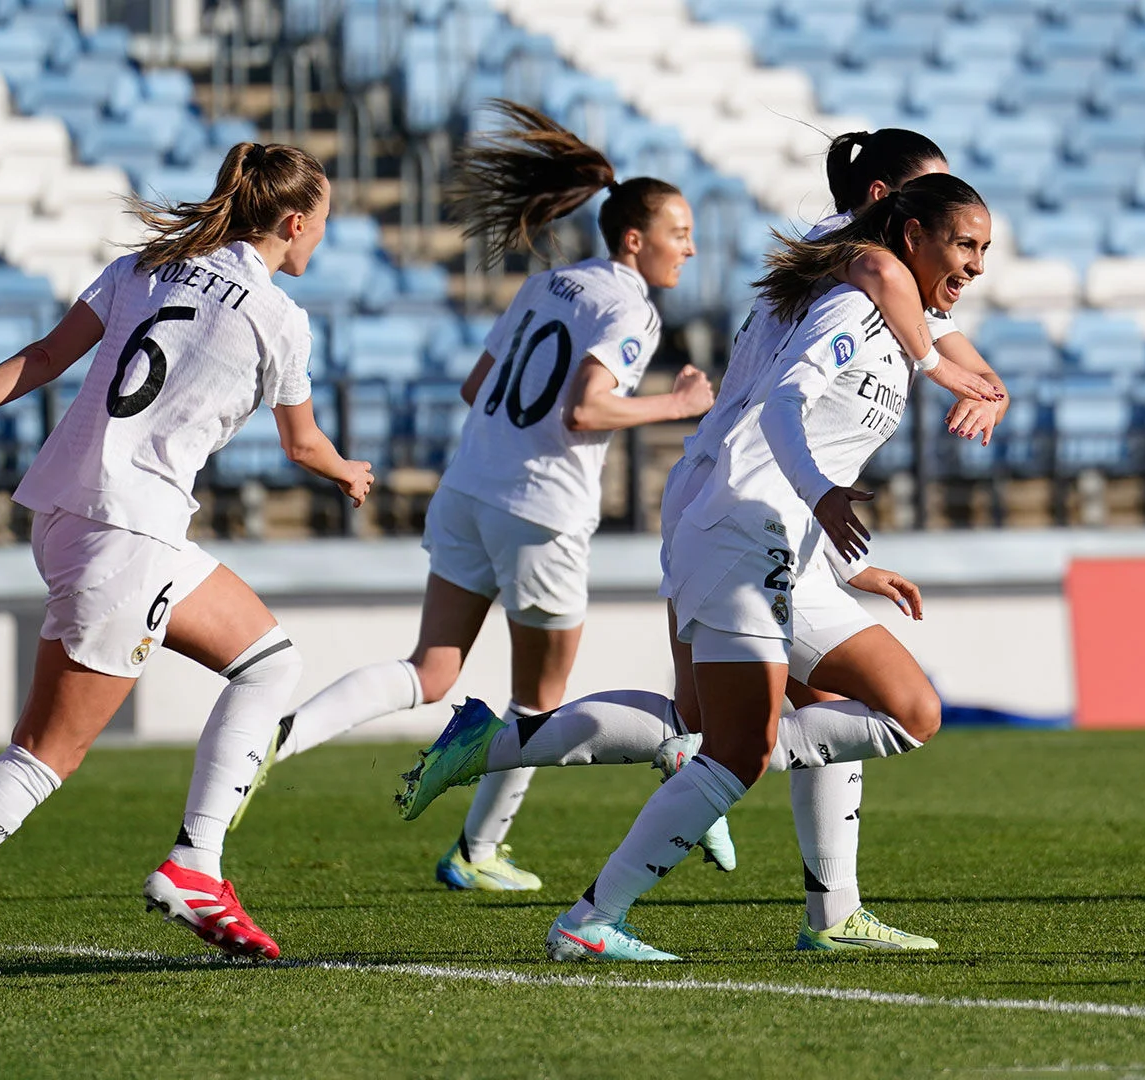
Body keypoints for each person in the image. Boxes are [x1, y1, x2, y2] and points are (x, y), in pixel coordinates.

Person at [395, 129, 1009, 953]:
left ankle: (829, 911)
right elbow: (808, 381)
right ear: (894, 214)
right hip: (739, 511)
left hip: (763, 520)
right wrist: (933, 374)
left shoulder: (893, 297)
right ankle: (584, 890)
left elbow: (905, 341)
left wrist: (848, 553)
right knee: (733, 742)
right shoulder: (863, 275)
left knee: (823, 716)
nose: (971, 261)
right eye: (956, 232)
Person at [235, 101, 714, 892]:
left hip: (469, 487)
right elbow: (587, 409)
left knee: (429, 669)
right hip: (542, 510)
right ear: (635, 239)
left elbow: (474, 384)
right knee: (539, 703)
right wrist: (677, 404)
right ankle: (478, 849)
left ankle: (280, 743)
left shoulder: (549, 284)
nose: (690, 249)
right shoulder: (631, 305)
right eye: (680, 233)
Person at [0, 143, 373, 958]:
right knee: (44, 755)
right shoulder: (279, 318)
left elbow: (45, 357)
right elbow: (302, 444)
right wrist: (345, 470)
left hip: (68, 513)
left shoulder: (149, 265)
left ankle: (197, 862)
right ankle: (193, 864)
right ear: (294, 224)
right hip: (130, 534)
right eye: (322, 224)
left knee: (267, 660)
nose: (322, 238)